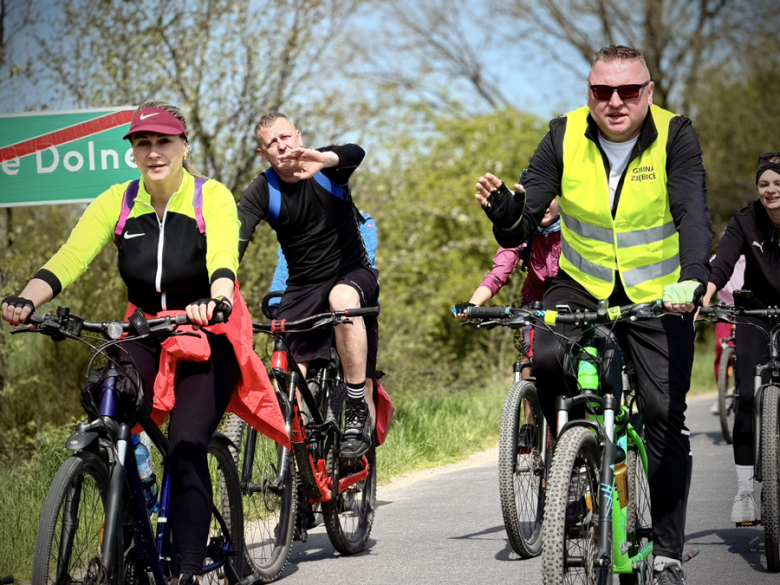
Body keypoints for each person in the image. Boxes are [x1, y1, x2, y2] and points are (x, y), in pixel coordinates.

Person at [2, 101, 287, 582]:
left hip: (207, 330)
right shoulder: (117, 200)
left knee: (185, 441)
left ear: (183, 146)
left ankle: (189, 571)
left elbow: (222, 256)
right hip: (145, 328)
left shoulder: (208, 196)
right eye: (142, 143)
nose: (153, 152)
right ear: (133, 150)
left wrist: (216, 299)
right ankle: (132, 529)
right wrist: (26, 301)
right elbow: (71, 256)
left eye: (163, 142)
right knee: (107, 408)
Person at [474, 45, 712, 584]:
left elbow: (693, 212)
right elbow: (525, 215)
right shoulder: (563, 134)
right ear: (589, 93)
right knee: (550, 356)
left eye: (629, 91)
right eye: (602, 91)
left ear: (648, 92)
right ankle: (574, 469)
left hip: (658, 292)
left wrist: (693, 278)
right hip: (581, 285)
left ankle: (669, 550)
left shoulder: (675, 134)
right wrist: (507, 216)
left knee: (661, 413)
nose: (615, 102)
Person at [238, 112, 378, 459]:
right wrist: (217, 283)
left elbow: (355, 152)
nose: (282, 146)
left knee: (341, 298)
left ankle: (357, 409)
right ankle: (298, 473)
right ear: (263, 154)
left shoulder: (325, 165)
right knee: (285, 378)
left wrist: (324, 159)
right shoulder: (262, 190)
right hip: (302, 287)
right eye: (272, 143)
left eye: (286, 137)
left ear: (298, 136)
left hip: (351, 273)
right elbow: (234, 240)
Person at [702, 153, 780, 524]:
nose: (770, 190)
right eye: (764, 183)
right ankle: (745, 491)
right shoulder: (746, 220)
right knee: (746, 394)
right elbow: (724, 261)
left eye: (777, 183)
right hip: (755, 312)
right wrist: (705, 292)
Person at [266, 210, 380, 425]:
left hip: (354, 307)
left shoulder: (363, 222)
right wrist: (276, 303)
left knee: (364, 381)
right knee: (292, 373)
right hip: (311, 307)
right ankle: (292, 443)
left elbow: (365, 264)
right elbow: (285, 266)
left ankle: (363, 446)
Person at [709, 254, 744, 415]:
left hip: (748, 309)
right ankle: (722, 393)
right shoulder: (716, 259)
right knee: (721, 349)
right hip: (725, 310)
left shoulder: (752, 254)